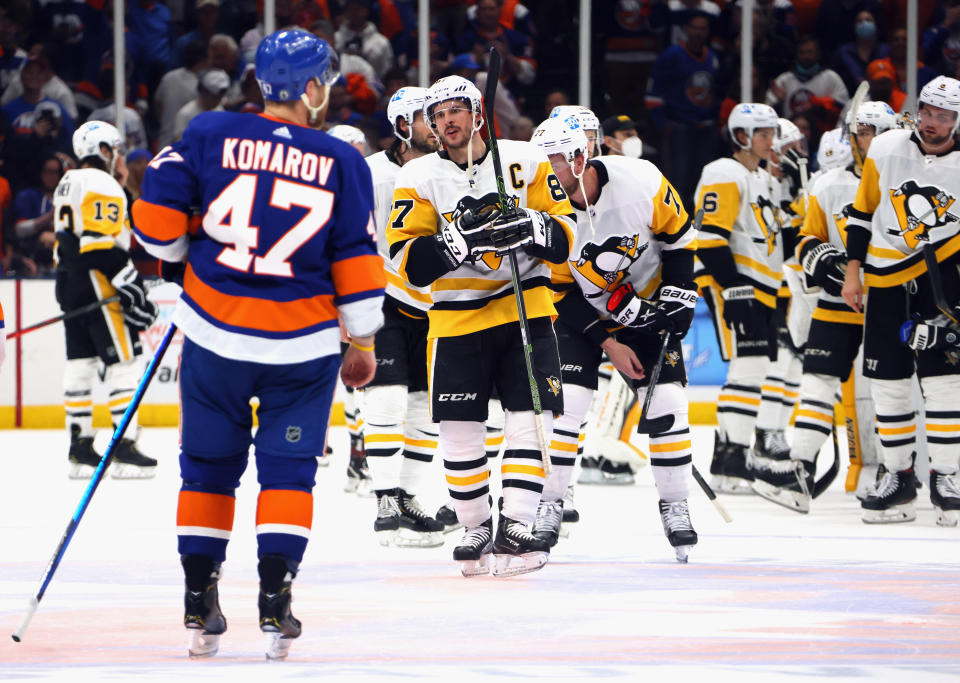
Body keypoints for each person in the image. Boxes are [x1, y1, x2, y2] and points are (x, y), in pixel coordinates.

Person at [131, 30, 384, 659]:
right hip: (302, 348)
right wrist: (364, 343)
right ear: (311, 87)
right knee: (288, 474)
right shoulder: (342, 160)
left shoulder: (209, 133)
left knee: (209, 469)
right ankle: (276, 602)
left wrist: (185, 247)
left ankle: (198, 598)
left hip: (214, 334)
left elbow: (157, 230)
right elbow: (356, 261)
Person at [386, 75, 576, 577]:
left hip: (524, 311)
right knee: (459, 429)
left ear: (477, 111)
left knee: (531, 417)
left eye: (456, 109)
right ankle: (474, 524)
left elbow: (567, 235)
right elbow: (406, 260)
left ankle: (515, 521)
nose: (447, 120)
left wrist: (533, 228)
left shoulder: (526, 159)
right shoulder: (418, 176)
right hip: (454, 320)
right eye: (438, 113)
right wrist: (457, 241)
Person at [531, 115, 701, 561]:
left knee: (668, 409)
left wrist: (678, 298)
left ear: (580, 155)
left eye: (553, 161)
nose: (545, 172)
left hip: (644, 308)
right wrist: (609, 341)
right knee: (564, 411)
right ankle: (550, 503)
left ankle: (675, 504)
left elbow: (680, 241)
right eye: (541, 160)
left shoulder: (641, 180)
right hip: (580, 316)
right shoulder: (545, 208)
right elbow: (561, 294)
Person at [753, 101, 896, 513]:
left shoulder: (903, 180)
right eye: (862, 132)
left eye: (875, 132)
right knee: (816, 381)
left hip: (889, 302)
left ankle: (895, 472)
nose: (866, 140)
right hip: (836, 302)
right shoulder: (827, 184)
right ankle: (800, 470)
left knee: (891, 391)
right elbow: (806, 238)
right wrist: (826, 262)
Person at [842, 76, 960, 527]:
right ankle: (898, 477)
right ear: (919, 109)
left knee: (946, 381)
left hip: (944, 281)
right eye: (928, 112)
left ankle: (946, 478)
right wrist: (852, 272)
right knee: (888, 382)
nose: (933, 123)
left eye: (945, 116)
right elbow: (862, 211)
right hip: (886, 277)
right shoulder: (886, 148)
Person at [363, 86, 448, 547]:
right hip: (379, 299)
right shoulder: (369, 173)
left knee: (424, 408)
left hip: (435, 302)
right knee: (387, 400)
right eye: (425, 117)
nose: (435, 125)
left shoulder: (449, 171)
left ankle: (407, 496)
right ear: (400, 126)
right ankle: (383, 500)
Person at [53, 121, 159, 481]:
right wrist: (131, 284)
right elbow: (99, 244)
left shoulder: (66, 181)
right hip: (100, 281)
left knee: (80, 362)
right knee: (126, 362)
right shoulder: (102, 182)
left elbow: (66, 242)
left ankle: (79, 448)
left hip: (68, 280)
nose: (118, 155)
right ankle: (124, 447)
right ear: (101, 149)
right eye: (114, 148)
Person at [693, 103, 782, 494]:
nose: (769, 140)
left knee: (755, 369)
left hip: (763, 284)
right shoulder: (722, 172)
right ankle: (730, 462)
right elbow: (711, 240)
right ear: (742, 135)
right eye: (762, 133)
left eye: (771, 133)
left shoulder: (767, 179)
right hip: (736, 283)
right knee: (747, 369)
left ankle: (733, 458)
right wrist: (735, 289)